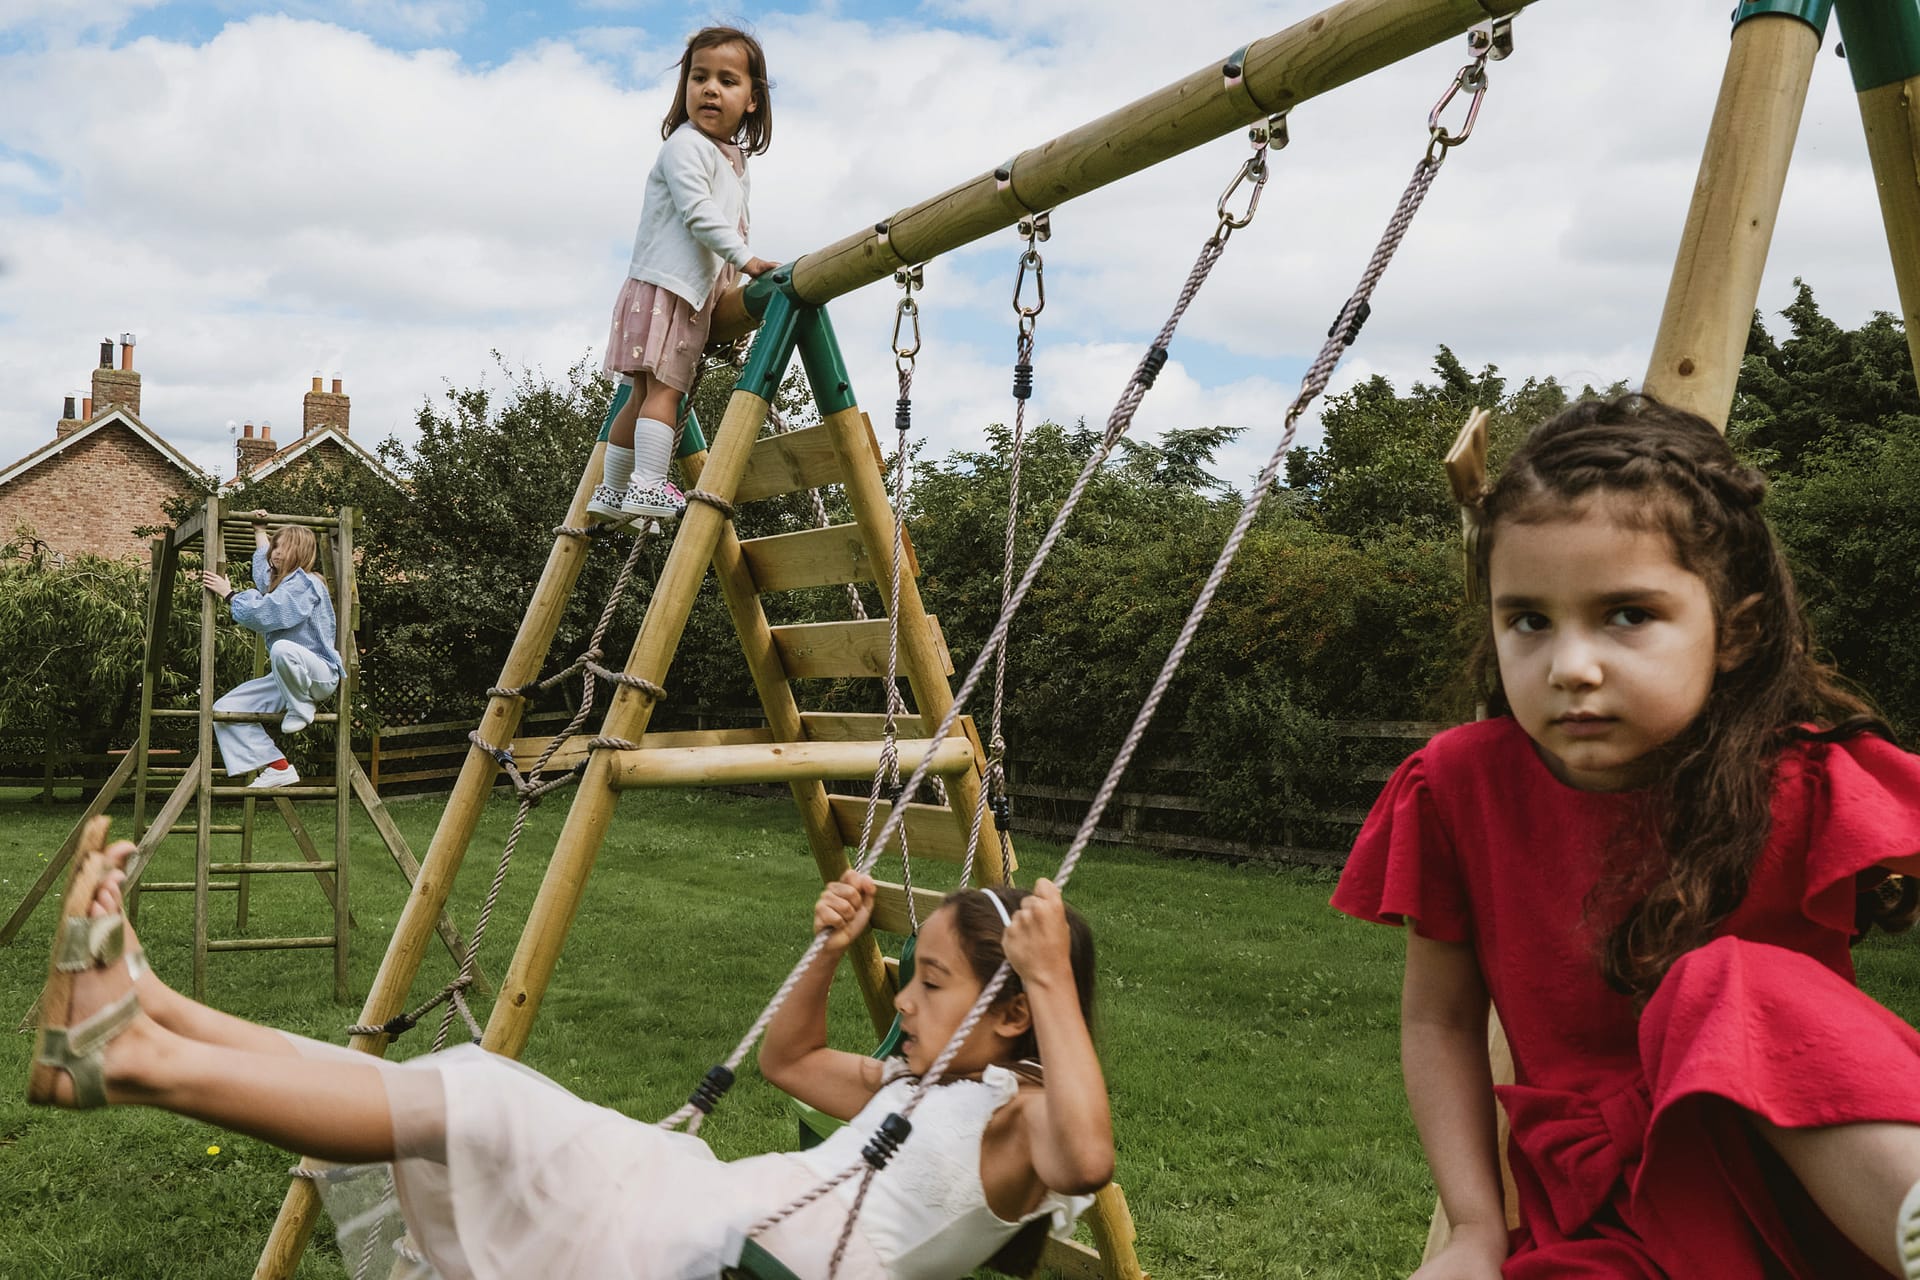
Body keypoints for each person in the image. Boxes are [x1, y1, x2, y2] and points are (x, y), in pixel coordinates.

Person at [1332, 393, 1920, 1279]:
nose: (1570, 666)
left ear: (1736, 630)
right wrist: (1474, 1234)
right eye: (1528, 619)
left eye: (1628, 615)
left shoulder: (1809, 780)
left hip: (1830, 1196)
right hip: (1617, 1218)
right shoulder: (1459, 788)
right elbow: (1440, 1018)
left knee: (1720, 982)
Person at [26, 820, 1113, 1280]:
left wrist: (1053, 977)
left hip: (727, 1254)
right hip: (701, 1200)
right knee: (465, 1080)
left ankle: (128, 1061)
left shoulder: (1019, 1124)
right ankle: (152, 1008)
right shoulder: (916, 1087)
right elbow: (792, 1060)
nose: (908, 1001)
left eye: (929, 983)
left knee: (486, 1108)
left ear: (1013, 1012)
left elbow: (1088, 1157)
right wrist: (831, 945)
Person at [586, 25, 780, 528]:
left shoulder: (730, 160)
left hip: (664, 289)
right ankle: (647, 486)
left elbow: (725, 227)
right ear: (685, 89)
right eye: (699, 78)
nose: (710, 88)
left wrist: (730, 292)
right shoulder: (686, 147)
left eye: (727, 80)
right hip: (669, 290)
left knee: (644, 394)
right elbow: (700, 215)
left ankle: (612, 489)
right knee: (666, 393)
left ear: (752, 100)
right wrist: (749, 260)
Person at [199, 511, 344, 790]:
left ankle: (301, 707)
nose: (276, 554)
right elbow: (264, 574)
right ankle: (278, 767)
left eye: (283, 548)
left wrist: (229, 595)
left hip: (319, 674)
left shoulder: (307, 583)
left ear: (299, 552)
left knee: (282, 649)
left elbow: (267, 614)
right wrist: (260, 530)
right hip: (290, 676)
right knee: (226, 709)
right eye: (275, 548)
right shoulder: (282, 583)